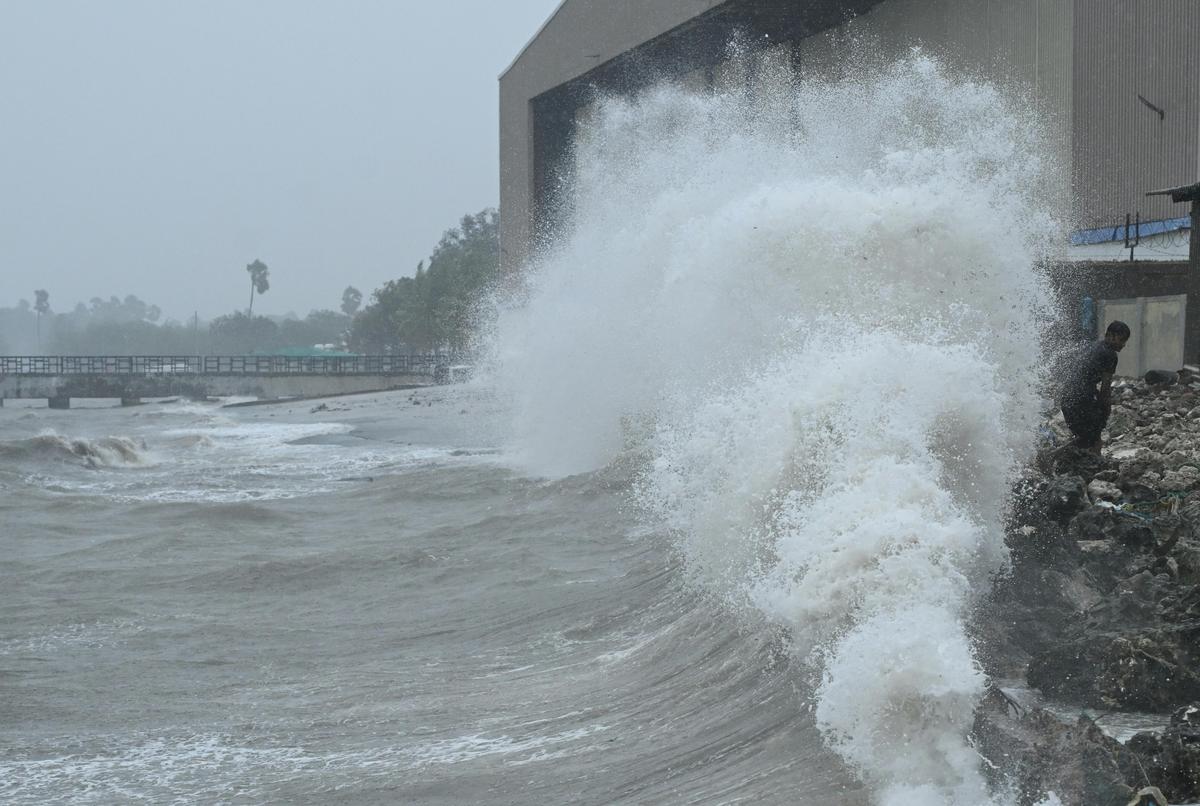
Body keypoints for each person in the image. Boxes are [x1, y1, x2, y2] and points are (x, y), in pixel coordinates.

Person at [1060, 320, 1131, 454]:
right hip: (1080, 398)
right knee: (1091, 434)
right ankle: (1053, 456)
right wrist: (1106, 408)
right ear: (1110, 335)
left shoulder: (1094, 346)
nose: (1123, 345)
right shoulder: (1110, 354)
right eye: (1121, 340)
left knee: (1086, 435)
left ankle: (1087, 462)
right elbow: (1105, 388)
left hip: (1067, 397)